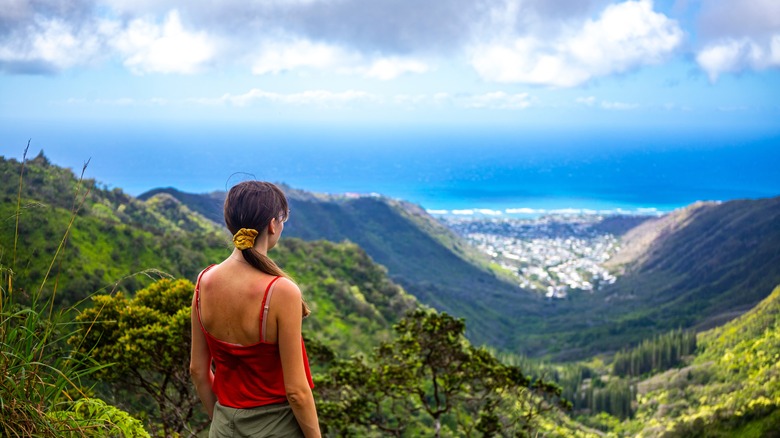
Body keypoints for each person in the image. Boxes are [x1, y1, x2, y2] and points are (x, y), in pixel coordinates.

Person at [190, 181, 321, 437]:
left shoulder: (203, 281)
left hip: (223, 427)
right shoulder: (280, 290)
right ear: (273, 224)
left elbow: (198, 370)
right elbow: (296, 392)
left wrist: (220, 421)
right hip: (277, 428)